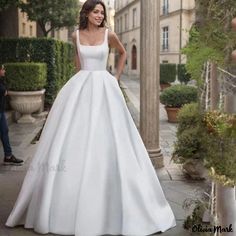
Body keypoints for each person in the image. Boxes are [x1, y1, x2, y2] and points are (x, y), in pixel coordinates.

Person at [5, 0, 176, 235]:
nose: (99, 15)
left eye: (102, 12)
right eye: (96, 11)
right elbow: (78, 64)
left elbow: (123, 53)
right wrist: (77, 87)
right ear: (86, 13)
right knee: (73, 138)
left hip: (105, 88)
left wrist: (115, 77)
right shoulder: (76, 35)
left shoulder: (110, 33)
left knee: (110, 138)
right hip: (81, 86)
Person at [0, 65, 23, 165]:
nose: (4, 71)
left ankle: (8, 156)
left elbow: (5, 91)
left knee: (4, 131)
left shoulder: (1, 80)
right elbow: (4, 91)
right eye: (3, 69)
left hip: (1, 112)